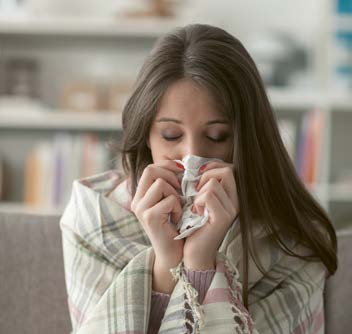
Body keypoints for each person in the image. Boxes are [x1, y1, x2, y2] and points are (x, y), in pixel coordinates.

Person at [60, 24, 337, 334]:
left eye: (217, 136)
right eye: (171, 134)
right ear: (146, 136)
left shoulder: (293, 239)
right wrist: (166, 263)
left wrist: (200, 262)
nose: (192, 156)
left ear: (247, 139)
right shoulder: (93, 216)